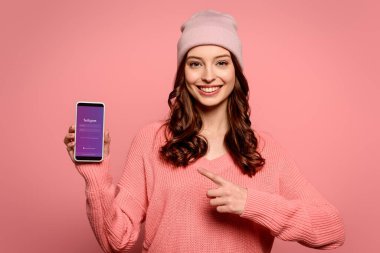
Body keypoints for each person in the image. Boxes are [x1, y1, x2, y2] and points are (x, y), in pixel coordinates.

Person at [63, 9, 345, 253]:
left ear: (236, 72)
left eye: (221, 62)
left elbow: (332, 229)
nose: (208, 75)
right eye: (195, 63)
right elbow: (117, 242)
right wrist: (95, 176)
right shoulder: (151, 141)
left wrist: (253, 204)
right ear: (183, 73)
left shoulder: (264, 149)